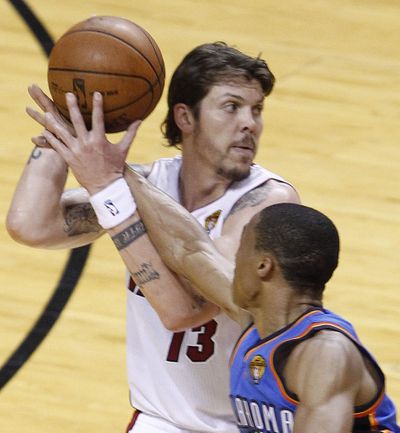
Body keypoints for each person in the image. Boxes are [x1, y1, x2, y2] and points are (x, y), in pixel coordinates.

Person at [6, 41, 300, 433]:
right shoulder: (147, 183)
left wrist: (111, 178)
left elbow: (185, 311)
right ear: (186, 117)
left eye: (257, 109)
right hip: (159, 420)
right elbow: (29, 224)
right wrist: (67, 121)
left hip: (241, 425)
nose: (250, 123)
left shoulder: (267, 203)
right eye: (232, 107)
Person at [94, 172, 399, 433]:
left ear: (263, 266)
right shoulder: (257, 320)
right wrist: (116, 174)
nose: (231, 259)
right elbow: (188, 249)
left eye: (241, 250)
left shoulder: (325, 355)